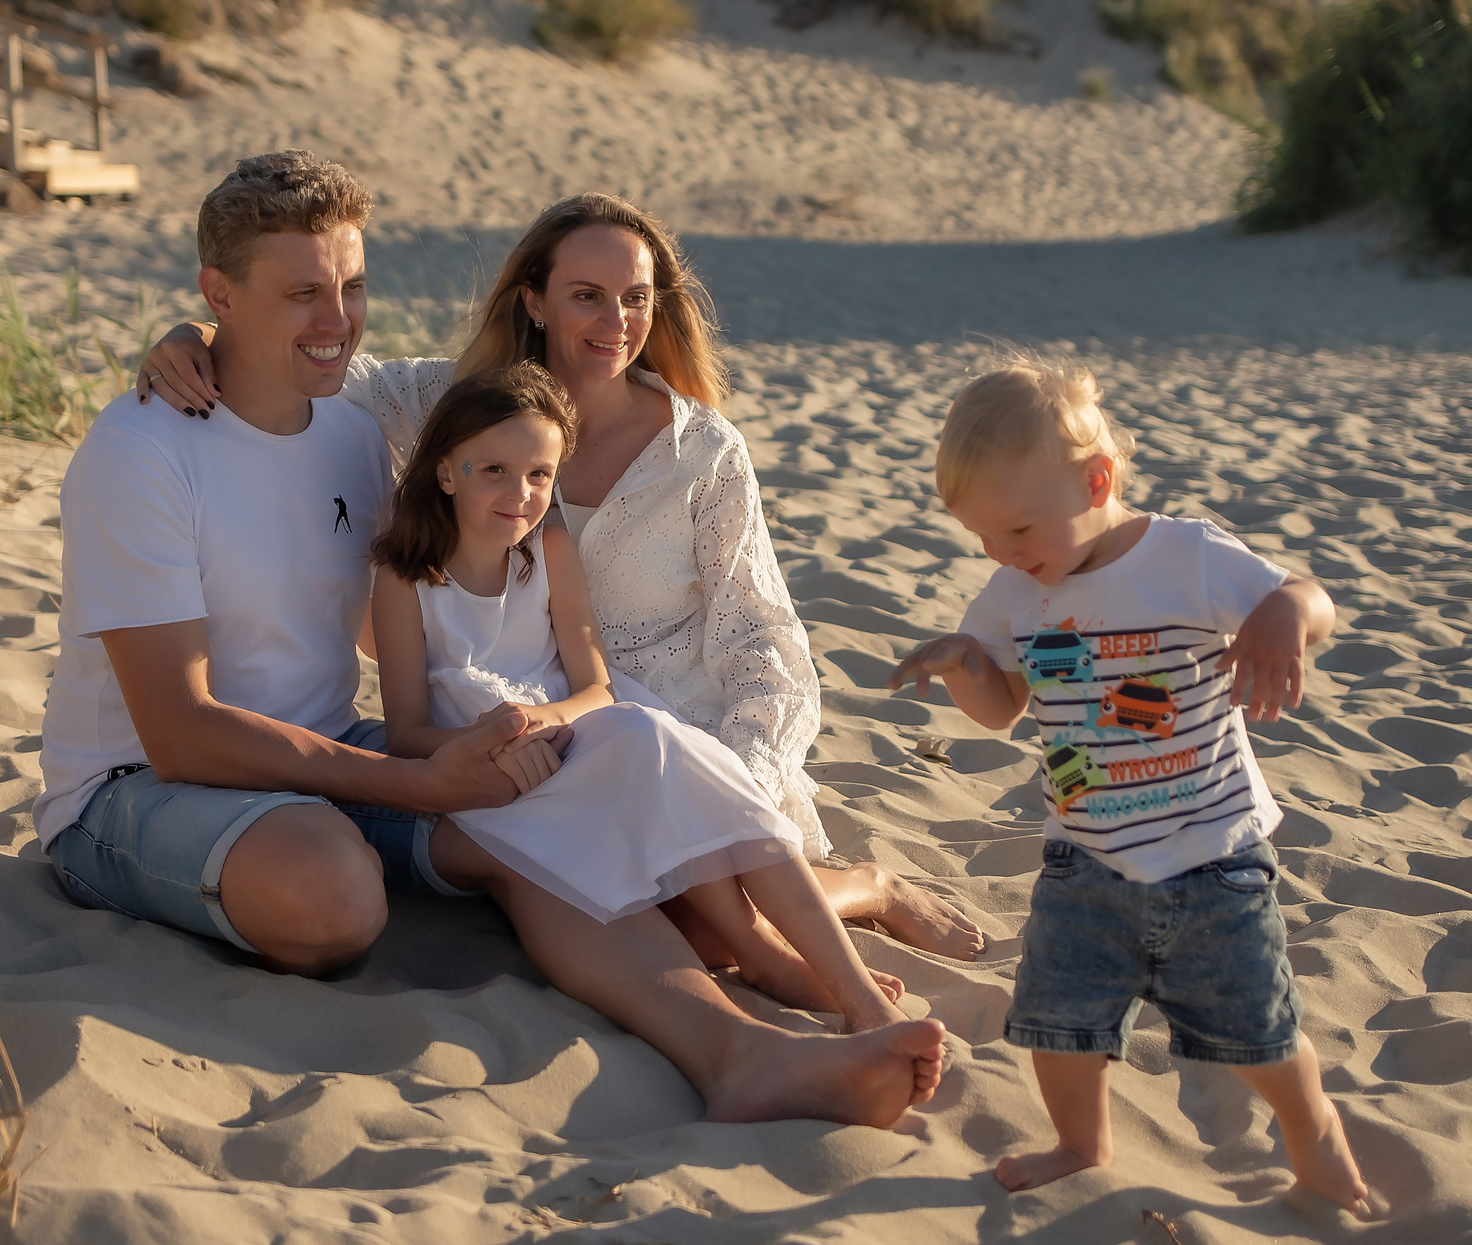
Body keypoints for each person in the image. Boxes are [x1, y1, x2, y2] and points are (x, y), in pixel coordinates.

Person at [39, 151, 946, 1127]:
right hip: (145, 786)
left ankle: (739, 1052)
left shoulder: (353, 427)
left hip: (343, 756)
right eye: (302, 290)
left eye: (351, 285)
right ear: (217, 292)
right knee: (333, 892)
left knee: (552, 818)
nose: (337, 318)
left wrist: (463, 765)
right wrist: (423, 783)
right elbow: (179, 731)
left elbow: (450, 409)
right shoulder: (142, 449)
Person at [137, 194, 985, 961]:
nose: (615, 320)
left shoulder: (703, 451)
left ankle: (870, 885)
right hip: (530, 741)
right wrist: (197, 337)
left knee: (707, 915)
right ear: (534, 301)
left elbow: (766, 639)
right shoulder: (459, 406)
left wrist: (739, 782)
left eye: (636, 298)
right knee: (664, 917)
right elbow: (315, 361)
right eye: (587, 295)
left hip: (687, 735)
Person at [888, 358, 1370, 1210]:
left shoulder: (1185, 555)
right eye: (984, 541)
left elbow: (1311, 596)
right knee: (1057, 1021)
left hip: (1211, 855)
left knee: (1254, 1028)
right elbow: (1002, 709)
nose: (1002, 555)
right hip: (1085, 858)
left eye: (1021, 532)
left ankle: (1313, 1128)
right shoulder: (1014, 594)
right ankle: (1082, 1142)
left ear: (1097, 480)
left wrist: (1288, 614)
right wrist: (966, 664)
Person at [370, 360, 905, 1031]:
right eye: (494, 470)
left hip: (577, 737)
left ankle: (857, 997)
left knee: (675, 768)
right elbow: (406, 736)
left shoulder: (549, 547)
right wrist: (492, 740)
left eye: (540, 475)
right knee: (667, 798)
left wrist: (540, 720)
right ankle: (790, 936)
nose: (521, 493)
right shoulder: (405, 578)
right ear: (447, 471)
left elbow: (594, 687)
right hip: (497, 781)